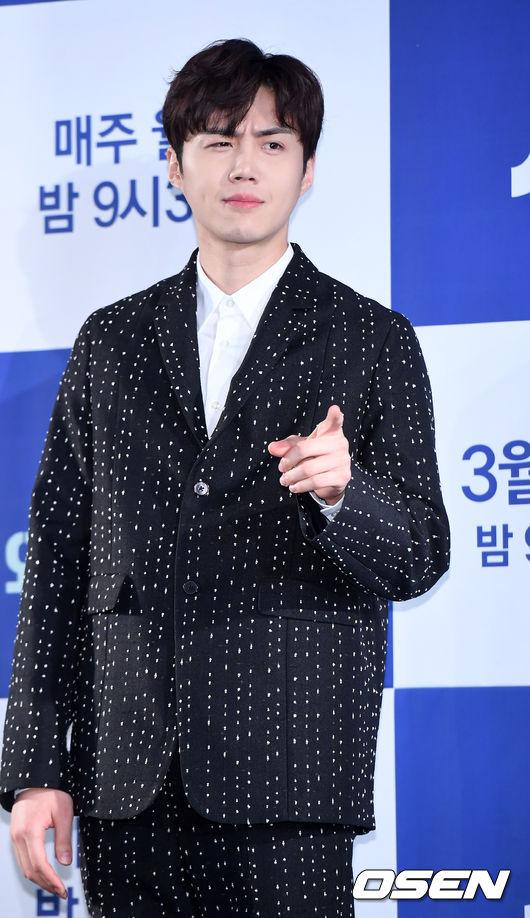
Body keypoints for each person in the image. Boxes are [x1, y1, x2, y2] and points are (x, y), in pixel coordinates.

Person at [0, 37, 450, 917]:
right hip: (126, 781)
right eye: (217, 140)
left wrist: (345, 496)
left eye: (271, 142)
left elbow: (422, 554)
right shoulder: (110, 342)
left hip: (289, 776)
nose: (244, 165)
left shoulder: (372, 339)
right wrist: (33, 769)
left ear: (307, 171)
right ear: (175, 166)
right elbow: (55, 563)